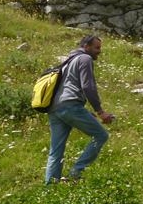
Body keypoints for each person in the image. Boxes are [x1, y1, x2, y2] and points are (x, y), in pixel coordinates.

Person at [44, 35, 114, 184]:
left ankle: (50, 187)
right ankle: (76, 172)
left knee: (56, 150)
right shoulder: (85, 59)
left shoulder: (67, 61)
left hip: (55, 109)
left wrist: (83, 111)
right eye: (97, 48)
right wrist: (100, 112)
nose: (99, 51)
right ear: (86, 46)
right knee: (101, 135)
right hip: (70, 106)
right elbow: (88, 86)